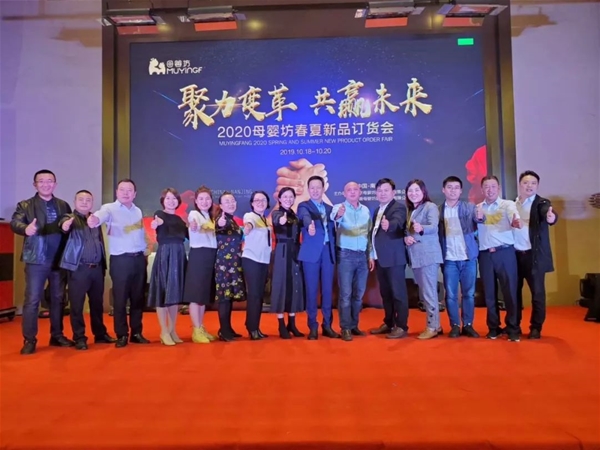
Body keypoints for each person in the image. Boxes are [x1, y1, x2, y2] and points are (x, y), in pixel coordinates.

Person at [11, 169, 74, 355]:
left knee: (58, 299)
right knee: (32, 300)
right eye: (41, 181)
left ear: (55, 184)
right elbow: (15, 222)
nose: (46, 184)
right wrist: (25, 229)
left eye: (49, 181)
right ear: (35, 184)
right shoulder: (25, 205)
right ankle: (29, 339)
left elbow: (68, 224)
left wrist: (66, 226)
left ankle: (57, 335)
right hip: (36, 259)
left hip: (58, 259)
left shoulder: (63, 205)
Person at [87, 179, 150, 348]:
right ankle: (122, 334)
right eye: (122, 189)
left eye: (129, 190)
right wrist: (94, 220)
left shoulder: (137, 210)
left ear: (135, 194)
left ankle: (136, 332)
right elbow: (99, 216)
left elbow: (139, 233)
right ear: (116, 192)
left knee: (138, 298)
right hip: (121, 260)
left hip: (139, 259)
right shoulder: (109, 208)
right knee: (120, 299)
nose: (125, 193)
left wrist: (146, 249)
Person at [58, 190, 116, 350]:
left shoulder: (95, 219)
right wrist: (65, 225)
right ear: (75, 201)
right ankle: (79, 337)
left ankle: (100, 334)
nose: (84, 202)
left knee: (97, 304)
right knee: (77, 306)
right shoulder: (69, 218)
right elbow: (63, 226)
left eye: (88, 200)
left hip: (97, 269)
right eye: (81, 199)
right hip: (79, 269)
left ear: (92, 202)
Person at [476, 175, 522, 342]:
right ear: (482, 189)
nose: (490, 190)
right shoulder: (478, 208)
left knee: (510, 291)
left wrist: (516, 222)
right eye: (486, 187)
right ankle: (493, 328)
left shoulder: (507, 205)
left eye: (493, 186)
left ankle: (513, 328)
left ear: (499, 188)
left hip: (505, 253)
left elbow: (514, 218)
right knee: (489, 293)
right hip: (485, 255)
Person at [514, 170, 558, 339]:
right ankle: (514, 325)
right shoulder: (513, 204)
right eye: (526, 183)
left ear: (537, 185)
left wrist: (551, 218)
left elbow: (548, 213)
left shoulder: (541, 203)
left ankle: (536, 327)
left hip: (534, 257)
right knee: (513, 293)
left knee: (537, 294)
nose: (529, 186)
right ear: (520, 185)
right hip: (515, 256)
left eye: (533, 183)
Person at [297, 175, 339, 340]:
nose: (315, 190)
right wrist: (309, 225)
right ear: (308, 190)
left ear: (323, 189)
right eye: (312, 188)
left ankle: (327, 325)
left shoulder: (330, 209)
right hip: (311, 254)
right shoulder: (304, 206)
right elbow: (304, 216)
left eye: (318, 187)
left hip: (328, 252)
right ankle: (312, 326)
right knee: (311, 291)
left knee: (328, 291)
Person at [330, 181, 373, 341]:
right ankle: (345, 327)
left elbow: (369, 235)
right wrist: (339, 215)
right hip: (345, 256)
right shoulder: (339, 207)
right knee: (346, 294)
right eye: (349, 190)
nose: (353, 192)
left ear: (360, 192)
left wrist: (371, 255)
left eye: (355, 189)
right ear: (344, 193)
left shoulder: (365, 210)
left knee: (359, 294)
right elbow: (334, 218)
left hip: (362, 256)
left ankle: (354, 325)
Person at [438, 176, 480, 338]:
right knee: (451, 295)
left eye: (456, 188)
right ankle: (454, 325)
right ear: (443, 190)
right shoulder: (438, 211)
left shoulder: (469, 208)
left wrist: (480, 217)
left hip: (468, 258)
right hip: (449, 259)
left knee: (469, 294)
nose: (453, 190)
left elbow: (479, 219)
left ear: (461, 191)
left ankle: (468, 325)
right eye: (449, 187)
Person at [369, 178, 409, 339]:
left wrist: (389, 225)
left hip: (394, 258)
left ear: (393, 193)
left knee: (398, 294)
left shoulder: (398, 207)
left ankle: (401, 326)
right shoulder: (377, 210)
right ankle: (389, 322)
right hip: (381, 258)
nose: (382, 193)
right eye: (379, 190)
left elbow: (397, 222)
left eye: (386, 190)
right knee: (386, 293)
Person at [147, 188, 188, 346]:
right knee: (163, 292)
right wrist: (155, 223)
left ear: (178, 201)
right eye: (168, 198)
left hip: (179, 254)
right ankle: (164, 331)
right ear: (163, 201)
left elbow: (189, 235)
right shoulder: (160, 214)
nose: (171, 201)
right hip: (166, 254)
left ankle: (172, 330)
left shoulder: (180, 220)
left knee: (175, 294)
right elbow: (157, 222)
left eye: (174, 198)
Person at [404, 179, 444, 340]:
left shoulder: (430, 207)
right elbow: (408, 231)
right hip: (416, 257)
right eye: (410, 191)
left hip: (428, 256)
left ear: (423, 192)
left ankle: (432, 327)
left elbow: (433, 227)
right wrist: (406, 238)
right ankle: (437, 325)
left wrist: (422, 228)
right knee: (426, 292)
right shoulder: (411, 210)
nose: (413, 193)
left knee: (429, 293)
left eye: (417, 190)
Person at [270, 187, 305, 339]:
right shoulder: (277, 213)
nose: (288, 199)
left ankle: (292, 323)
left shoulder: (295, 215)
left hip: (295, 251)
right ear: (279, 198)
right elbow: (278, 221)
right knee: (281, 285)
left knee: (294, 285)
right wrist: (281, 221)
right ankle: (281, 324)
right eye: (285, 196)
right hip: (282, 252)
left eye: (291, 197)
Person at [183, 186, 217, 344]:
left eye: (207, 199)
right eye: (201, 199)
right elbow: (193, 224)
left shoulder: (211, 217)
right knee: (196, 294)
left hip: (210, 256)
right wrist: (193, 226)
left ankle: (201, 326)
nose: (204, 202)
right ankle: (196, 330)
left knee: (203, 295)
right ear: (196, 201)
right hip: (199, 255)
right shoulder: (194, 214)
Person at [214, 192, 245, 341]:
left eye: (232, 201)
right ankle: (223, 331)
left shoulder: (233, 220)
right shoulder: (222, 219)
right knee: (224, 297)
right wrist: (220, 223)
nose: (231, 203)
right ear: (221, 205)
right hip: (224, 264)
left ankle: (227, 328)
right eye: (227, 202)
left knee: (230, 296)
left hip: (234, 262)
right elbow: (220, 226)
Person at [241, 191, 273, 340]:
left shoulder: (265, 220)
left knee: (259, 295)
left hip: (263, 261)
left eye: (263, 200)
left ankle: (255, 326)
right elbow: (249, 224)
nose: (260, 203)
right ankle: (252, 328)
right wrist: (247, 227)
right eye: (257, 200)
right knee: (254, 295)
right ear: (252, 203)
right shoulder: (250, 216)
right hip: (251, 259)